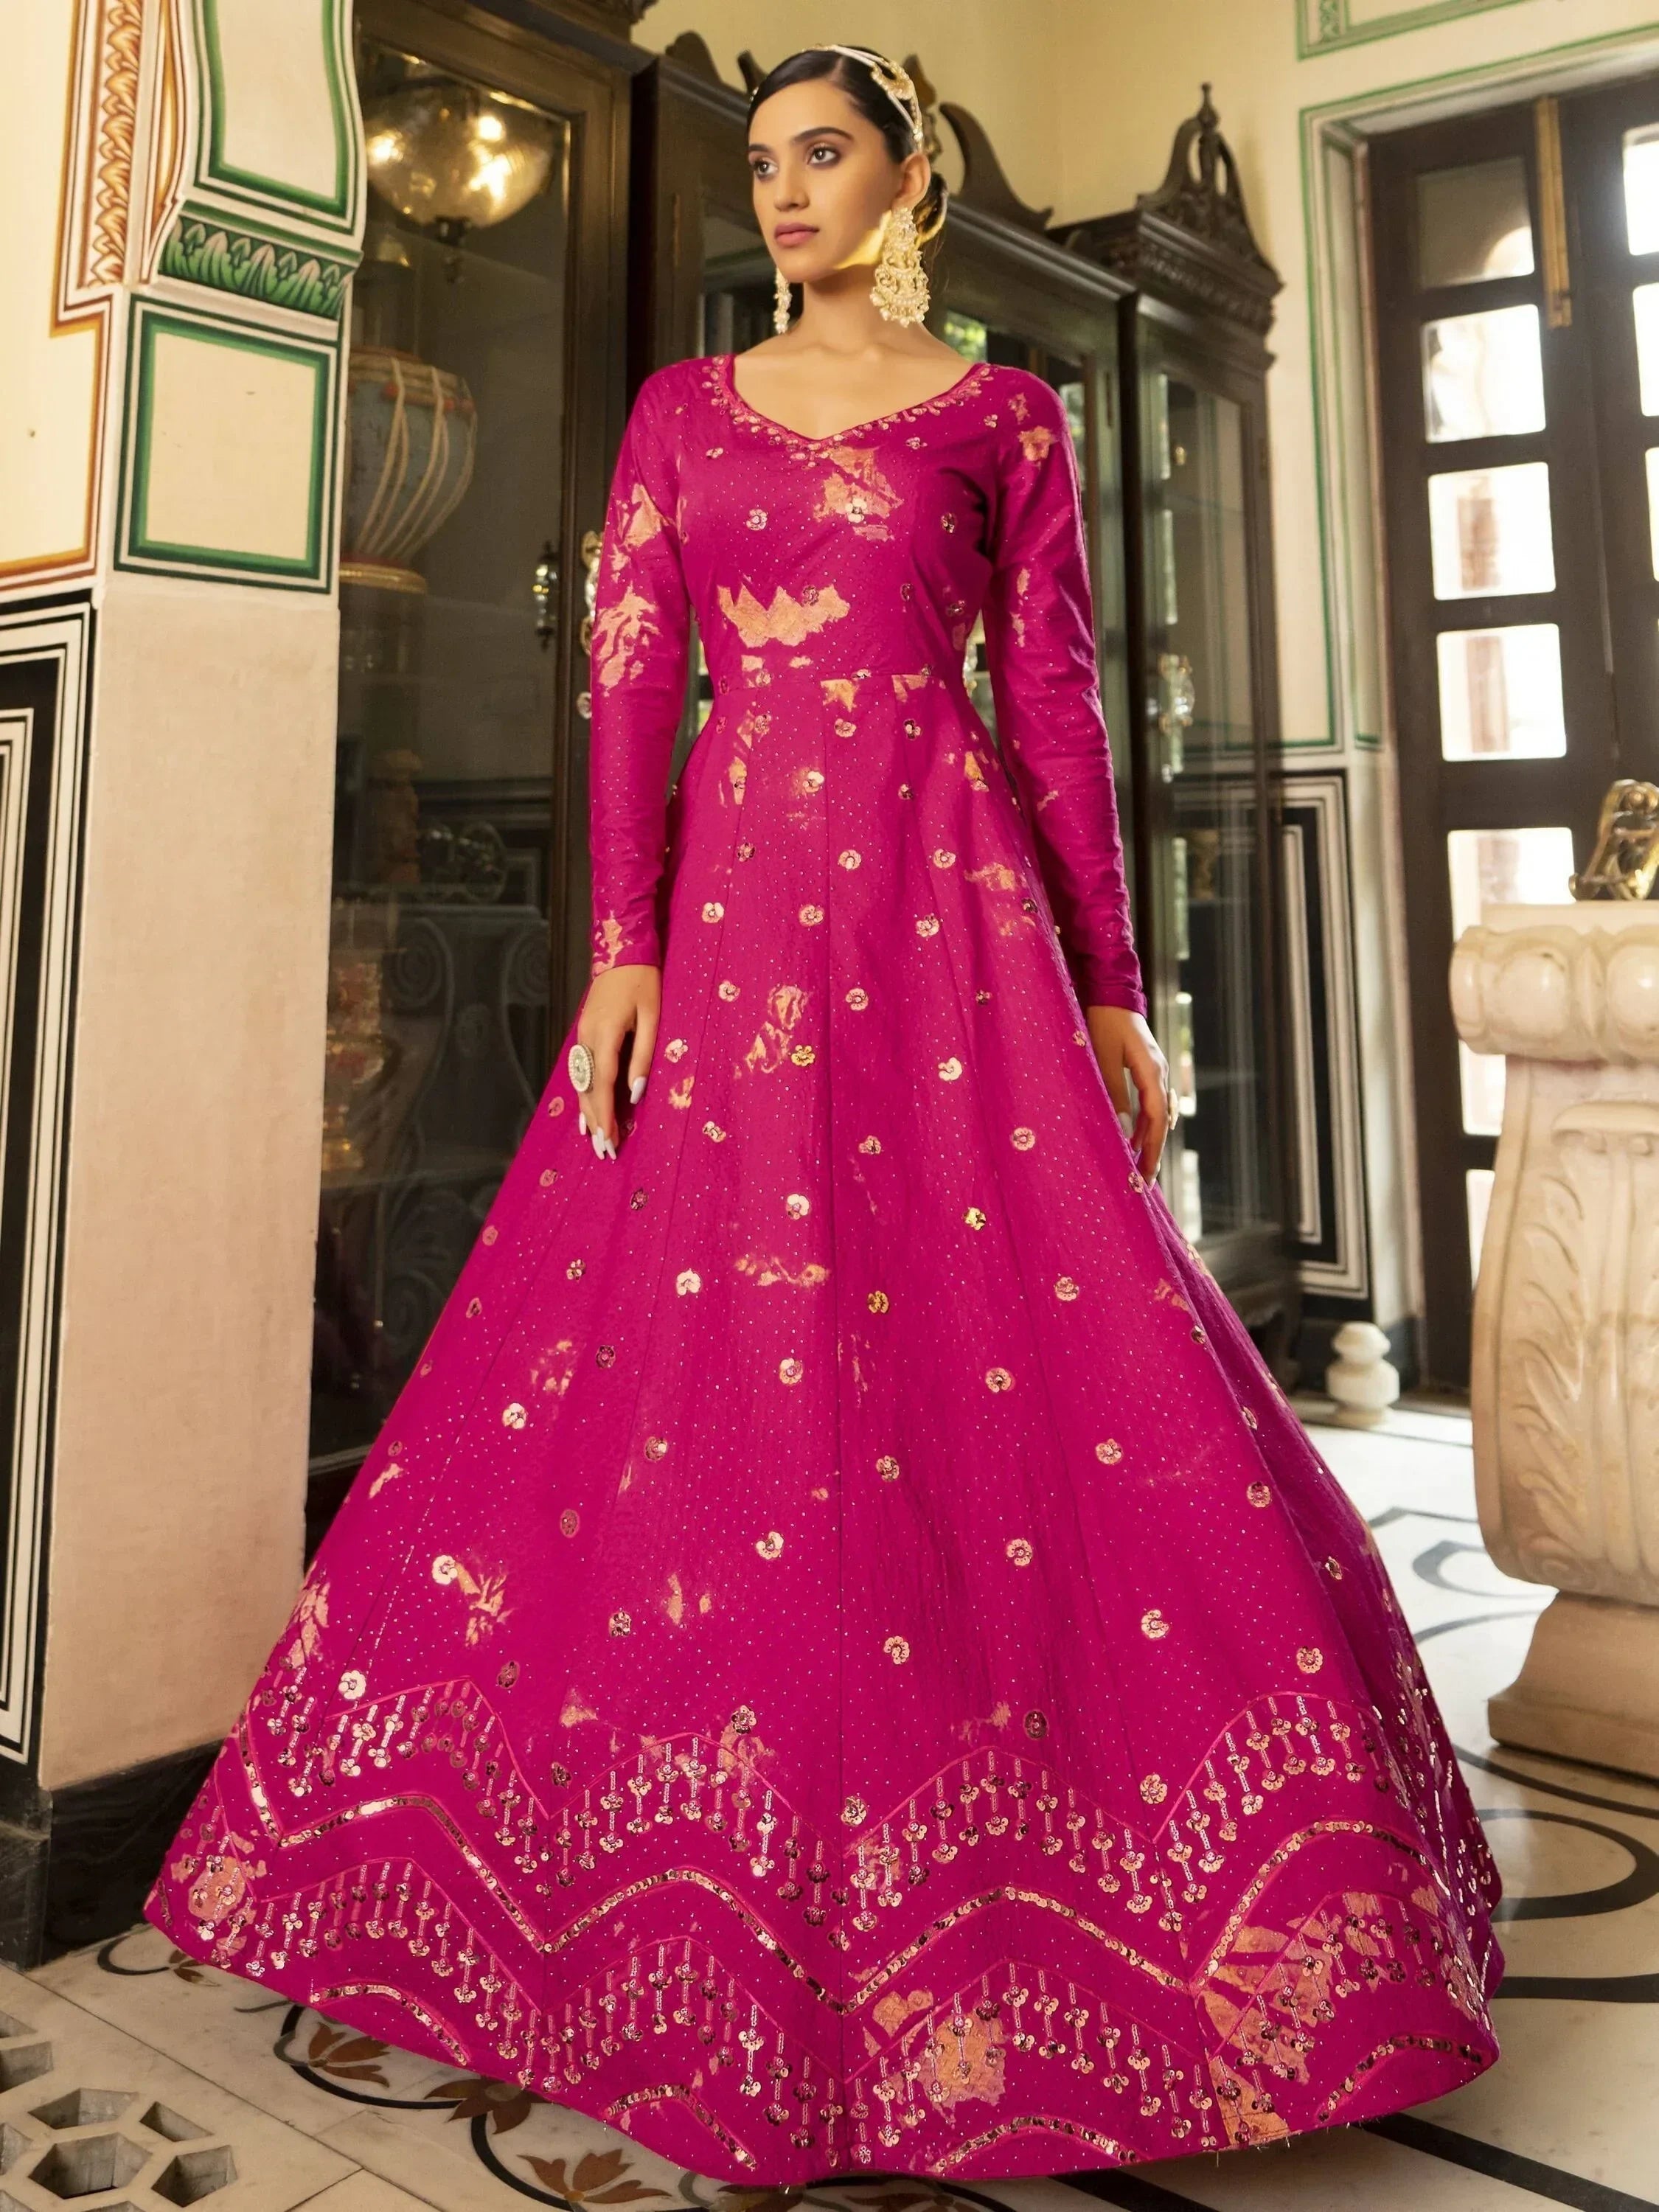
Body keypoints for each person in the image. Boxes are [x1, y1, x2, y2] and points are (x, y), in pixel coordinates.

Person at [145, 41, 1500, 2185]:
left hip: (945, 908)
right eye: (763, 163)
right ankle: (649, 1910)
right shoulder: (684, 415)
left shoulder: (1000, 413)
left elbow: (1046, 691)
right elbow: (626, 667)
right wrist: (618, 944)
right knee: (701, 1364)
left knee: (1007, 1352)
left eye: (821, 156)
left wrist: (1112, 981)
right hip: (740, 897)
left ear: (905, 175)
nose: (781, 195)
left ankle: (1075, 1915)